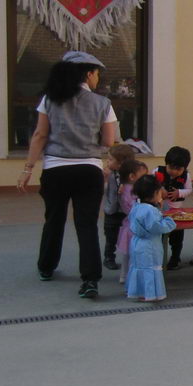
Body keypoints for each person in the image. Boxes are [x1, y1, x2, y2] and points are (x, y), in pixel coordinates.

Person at [17, 50, 120, 299]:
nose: (97, 79)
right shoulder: (102, 103)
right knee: (86, 225)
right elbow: (109, 140)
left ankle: (46, 267)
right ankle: (90, 280)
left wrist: (28, 169)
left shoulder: (50, 99)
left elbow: (39, 135)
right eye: (96, 74)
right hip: (89, 170)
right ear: (88, 73)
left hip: (55, 169)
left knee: (54, 218)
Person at [124, 174, 177, 303]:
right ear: (155, 193)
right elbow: (157, 227)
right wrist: (169, 221)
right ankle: (149, 293)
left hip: (137, 242)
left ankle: (139, 291)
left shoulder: (136, 207)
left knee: (139, 266)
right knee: (150, 267)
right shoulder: (150, 211)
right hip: (150, 245)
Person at [155, 146, 191, 269]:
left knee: (176, 237)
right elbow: (150, 184)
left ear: (184, 168)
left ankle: (175, 258)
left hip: (177, 211)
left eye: (178, 169)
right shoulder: (158, 171)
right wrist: (160, 189)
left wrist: (179, 193)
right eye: (171, 168)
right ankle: (159, 258)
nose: (174, 172)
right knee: (159, 236)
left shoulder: (186, 176)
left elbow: (189, 190)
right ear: (166, 164)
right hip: (159, 211)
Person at [102, 144, 136, 271]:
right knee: (111, 236)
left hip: (126, 212)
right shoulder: (109, 174)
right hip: (111, 211)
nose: (107, 162)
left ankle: (129, 256)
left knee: (127, 234)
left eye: (110, 159)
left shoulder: (132, 176)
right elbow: (105, 191)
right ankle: (109, 257)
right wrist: (104, 179)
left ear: (121, 164)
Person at [115, 160, 148, 283]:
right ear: (132, 177)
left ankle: (124, 275)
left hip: (129, 225)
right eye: (143, 176)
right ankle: (129, 276)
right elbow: (134, 208)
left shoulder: (126, 188)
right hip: (134, 226)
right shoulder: (130, 190)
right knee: (134, 253)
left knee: (128, 254)